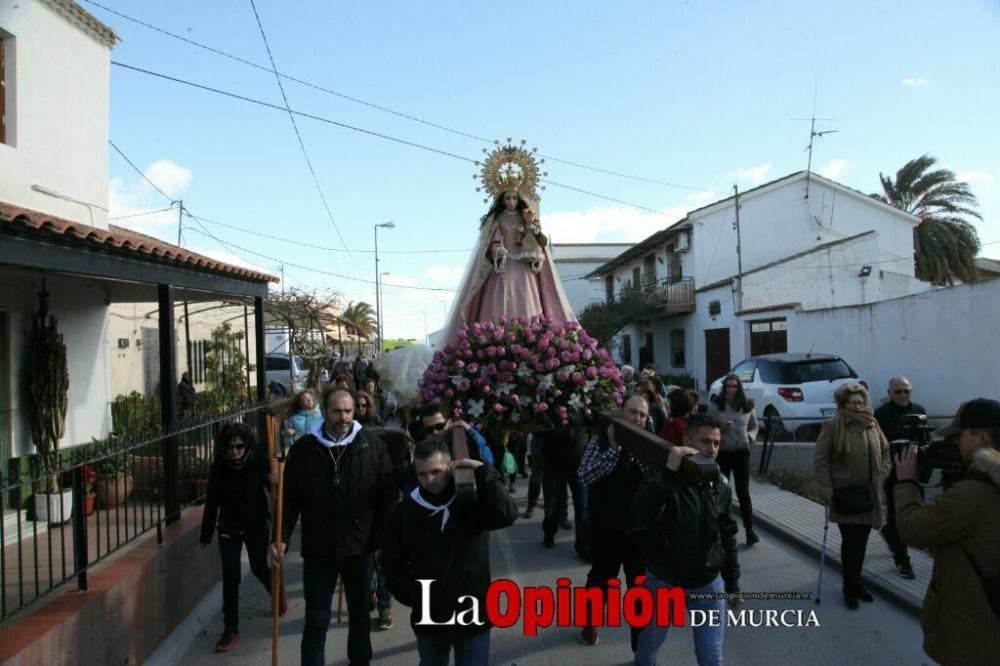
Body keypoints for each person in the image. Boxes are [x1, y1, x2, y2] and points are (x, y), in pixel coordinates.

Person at [270, 387, 397, 666]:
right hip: (319, 548)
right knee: (316, 620)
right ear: (324, 411)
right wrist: (280, 538)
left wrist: (381, 541)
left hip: (360, 548)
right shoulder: (305, 449)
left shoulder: (371, 445)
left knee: (360, 617)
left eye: (348, 411)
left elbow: (386, 497)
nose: (343, 417)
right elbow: (289, 501)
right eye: (337, 411)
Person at [380, 434, 518, 666]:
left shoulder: (470, 500)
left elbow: (506, 514)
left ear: (451, 466)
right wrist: (412, 595)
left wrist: (482, 471)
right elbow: (391, 560)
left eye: (436, 472)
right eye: (422, 474)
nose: (429, 480)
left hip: (473, 611)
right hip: (429, 615)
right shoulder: (406, 511)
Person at [894, 398, 1000, 665]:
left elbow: (911, 529)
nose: (954, 443)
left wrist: (906, 481)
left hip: (974, 635)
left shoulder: (971, 495)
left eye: (958, 435)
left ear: (981, 438)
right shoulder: (983, 484)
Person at [633, 414, 741, 666]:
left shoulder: (721, 482)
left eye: (716, 443)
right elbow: (641, 514)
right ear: (686, 439)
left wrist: (733, 582)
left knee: (711, 657)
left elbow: (727, 534)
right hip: (665, 579)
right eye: (705, 441)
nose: (712, 449)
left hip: (707, 583)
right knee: (649, 647)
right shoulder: (662, 474)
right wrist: (668, 475)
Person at [441, 186, 576, 346]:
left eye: (514, 198)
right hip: (503, 265)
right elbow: (493, 241)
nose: (511, 201)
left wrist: (532, 234)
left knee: (527, 298)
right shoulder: (498, 220)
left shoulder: (527, 218)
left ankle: (530, 337)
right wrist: (497, 249)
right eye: (507, 198)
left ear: (519, 200)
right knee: (499, 298)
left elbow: (536, 241)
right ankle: (495, 338)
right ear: (502, 200)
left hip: (523, 267)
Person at [200, 423, 282, 653]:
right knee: (231, 577)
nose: (235, 452)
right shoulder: (219, 467)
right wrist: (205, 534)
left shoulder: (259, 462)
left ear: (247, 446)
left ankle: (277, 592)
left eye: (239, 446)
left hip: (255, 525)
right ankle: (230, 629)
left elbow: (274, 490)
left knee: (258, 568)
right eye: (230, 448)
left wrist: (275, 479)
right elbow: (212, 500)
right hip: (228, 528)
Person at [577, 393, 649, 649]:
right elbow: (585, 475)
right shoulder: (601, 440)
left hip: (639, 530)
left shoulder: (650, 444)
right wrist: (614, 450)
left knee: (639, 588)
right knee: (600, 581)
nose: (637, 418)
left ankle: (640, 646)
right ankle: (589, 623)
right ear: (621, 412)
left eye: (642, 414)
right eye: (632, 412)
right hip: (606, 527)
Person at [813, 383, 891, 610]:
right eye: (853, 402)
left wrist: (881, 474)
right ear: (842, 404)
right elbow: (820, 460)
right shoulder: (832, 425)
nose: (858, 406)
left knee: (862, 541)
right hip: (845, 494)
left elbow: (885, 452)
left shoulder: (872, 424)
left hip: (869, 494)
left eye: (860, 402)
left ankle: (856, 583)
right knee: (851, 543)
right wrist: (825, 488)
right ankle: (850, 586)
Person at [874, 376, 926, 579]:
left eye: (907, 391)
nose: (903, 395)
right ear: (889, 394)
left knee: (913, 512)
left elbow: (924, 440)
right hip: (893, 474)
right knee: (896, 516)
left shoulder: (919, 410)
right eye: (898, 391)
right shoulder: (880, 415)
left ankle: (890, 534)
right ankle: (902, 560)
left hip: (915, 472)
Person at [707, 375, 760, 546]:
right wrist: (720, 427)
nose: (731, 390)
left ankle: (749, 530)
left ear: (739, 388)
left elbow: (754, 426)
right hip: (723, 452)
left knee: (743, 492)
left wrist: (749, 438)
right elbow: (707, 425)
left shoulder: (747, 405)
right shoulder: (716, 405)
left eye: (734, 386)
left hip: (741, 451)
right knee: (722, 490)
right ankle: (721, 528)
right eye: (728, 386)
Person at [538, 428, 589, 561]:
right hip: (553, 460)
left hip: (579, 460)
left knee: (583, 506)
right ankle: (549, 533)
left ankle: (584, 546)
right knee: (551, 506)